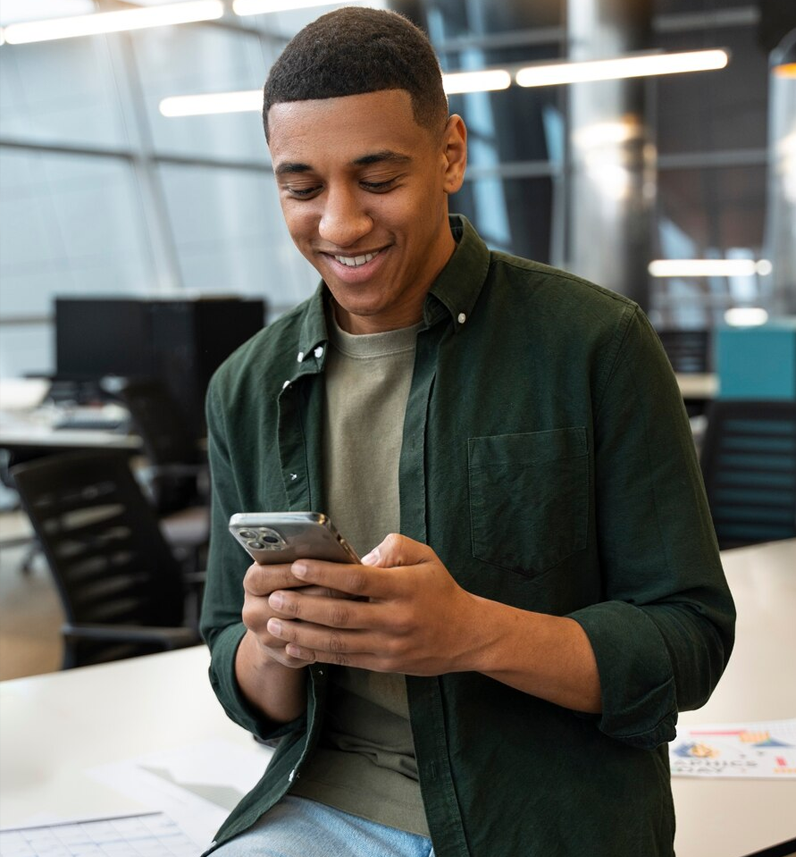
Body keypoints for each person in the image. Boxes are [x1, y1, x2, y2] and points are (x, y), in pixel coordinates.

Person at [200, 7, 735, 857]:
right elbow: (236, 668)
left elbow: (689, 640)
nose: (338, 224)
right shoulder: (247, 386)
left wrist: (472, 633)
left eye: (377, 179)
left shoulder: (595, 344)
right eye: (301, 187)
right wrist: (273, 644)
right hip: (325, 809)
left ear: (451, 152)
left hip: (537, 817)